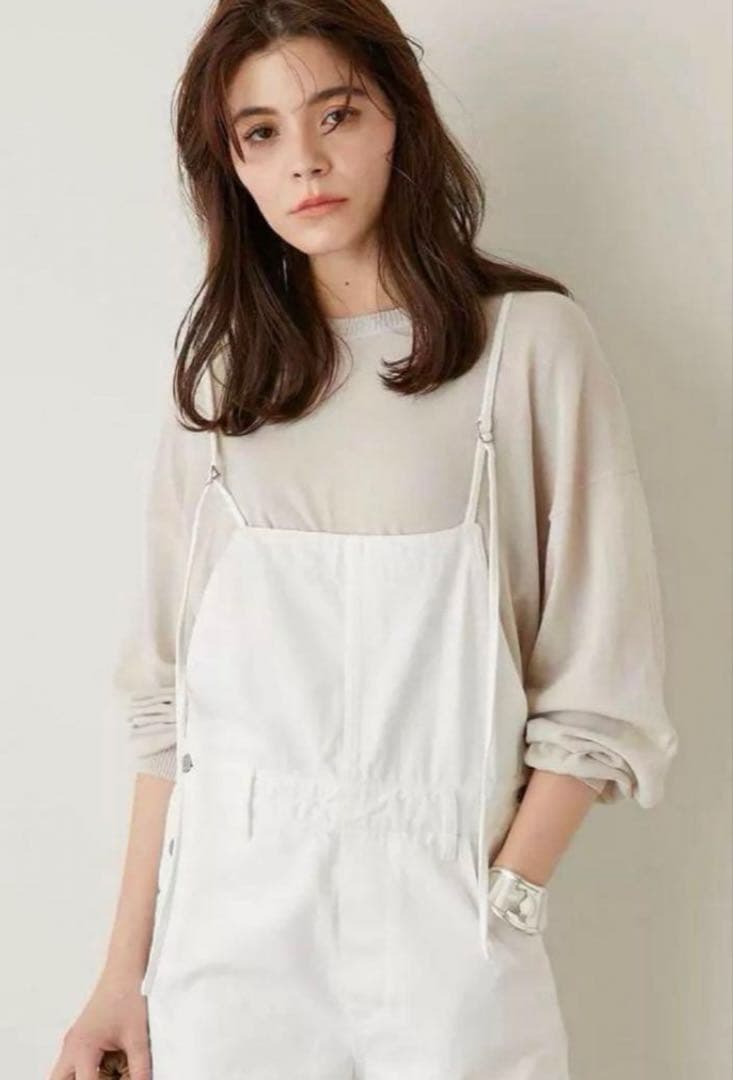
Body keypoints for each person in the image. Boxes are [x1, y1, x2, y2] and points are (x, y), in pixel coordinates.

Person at [48, 2, 679, 1078]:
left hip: (448, 940)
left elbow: (601, 678)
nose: (304, 161)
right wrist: (121, 976)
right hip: (226, 944)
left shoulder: (527, 348)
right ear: (230, 166)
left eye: (334, 114)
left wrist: (504, 898)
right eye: (260, 133)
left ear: (397, 119)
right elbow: (168, 710)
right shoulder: (221, 383)